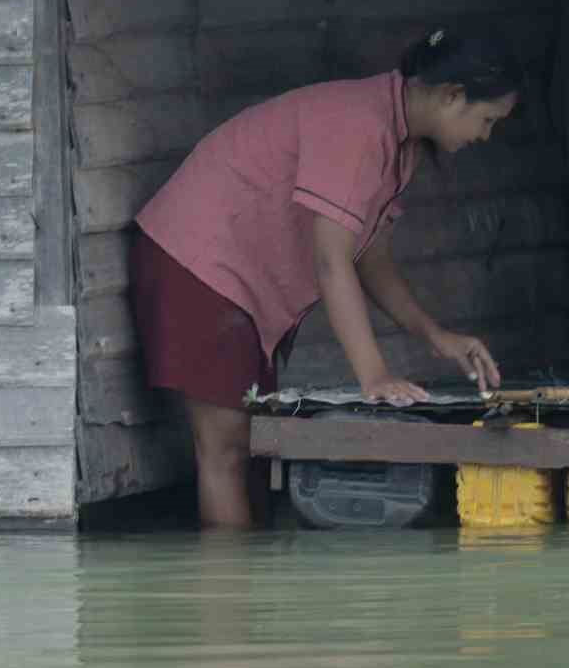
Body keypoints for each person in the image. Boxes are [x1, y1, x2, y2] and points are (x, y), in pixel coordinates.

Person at [130, 30, 523, 529]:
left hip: (234, 282)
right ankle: (224, 602)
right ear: (451, 96)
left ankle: (247, 599)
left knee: (249, 451)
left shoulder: (399, 143)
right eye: (487, 120)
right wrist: (373, 376)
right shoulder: (360, 126)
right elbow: (331, 261)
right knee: (226, 452)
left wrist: (436, 336)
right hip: (198, 265)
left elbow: (368, 255)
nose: (485, 136)